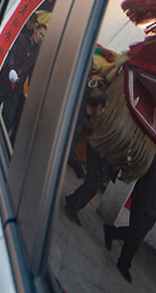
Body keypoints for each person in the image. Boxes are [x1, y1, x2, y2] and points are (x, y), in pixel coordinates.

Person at [103, 141, 156, 283]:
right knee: (136, 234)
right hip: (141, 199)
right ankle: (124, 264)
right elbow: (141, 164)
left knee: (136, 235)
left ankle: (111, 232)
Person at [63, 85, 113, 224]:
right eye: (102, 108)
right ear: (98, 107)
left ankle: (73, 203)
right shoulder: (79, 118)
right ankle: (72, 205)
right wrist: (79, 169)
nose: (102, 112)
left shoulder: (85, 117)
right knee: (92, 184)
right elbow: (67, 149)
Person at [0, 10, 49, 137]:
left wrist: (30, 89)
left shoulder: (37, 53)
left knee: (8, 117)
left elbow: (32, 72)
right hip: (5, 80)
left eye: (43, 37)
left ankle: (0, 136)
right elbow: (11, 54)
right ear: (35, 30)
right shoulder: (21, 38)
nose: (40, 37)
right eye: (40, 34)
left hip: (17, 87)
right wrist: (11, 69)